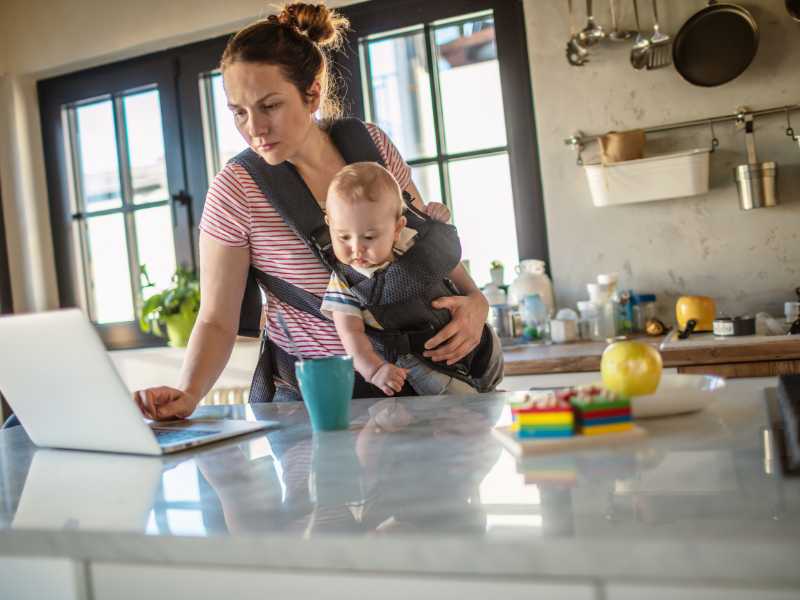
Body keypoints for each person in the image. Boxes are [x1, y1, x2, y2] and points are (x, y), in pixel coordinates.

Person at [135, 2, 492, 420]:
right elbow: (216, 319)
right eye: (239, 112)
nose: (254, 128)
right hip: (326, 406)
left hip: (434, 386)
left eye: (269, 106)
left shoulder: (371, 145)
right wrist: (188, 392)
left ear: (313, 94)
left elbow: (422, 242)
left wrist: (476, 300)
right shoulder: (236, 190)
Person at [321, 162, 503, 396]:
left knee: (493, 388)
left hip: (476, 339)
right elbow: (350, 335)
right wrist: (375, 371)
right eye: (343, 236)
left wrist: (438, 221)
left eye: (369, 236)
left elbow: (448, 260)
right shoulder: (346, 282)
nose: (356, 248)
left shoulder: (412, 242)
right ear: (330, 226)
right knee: (462, 409)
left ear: (398, 228)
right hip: (423, 361)